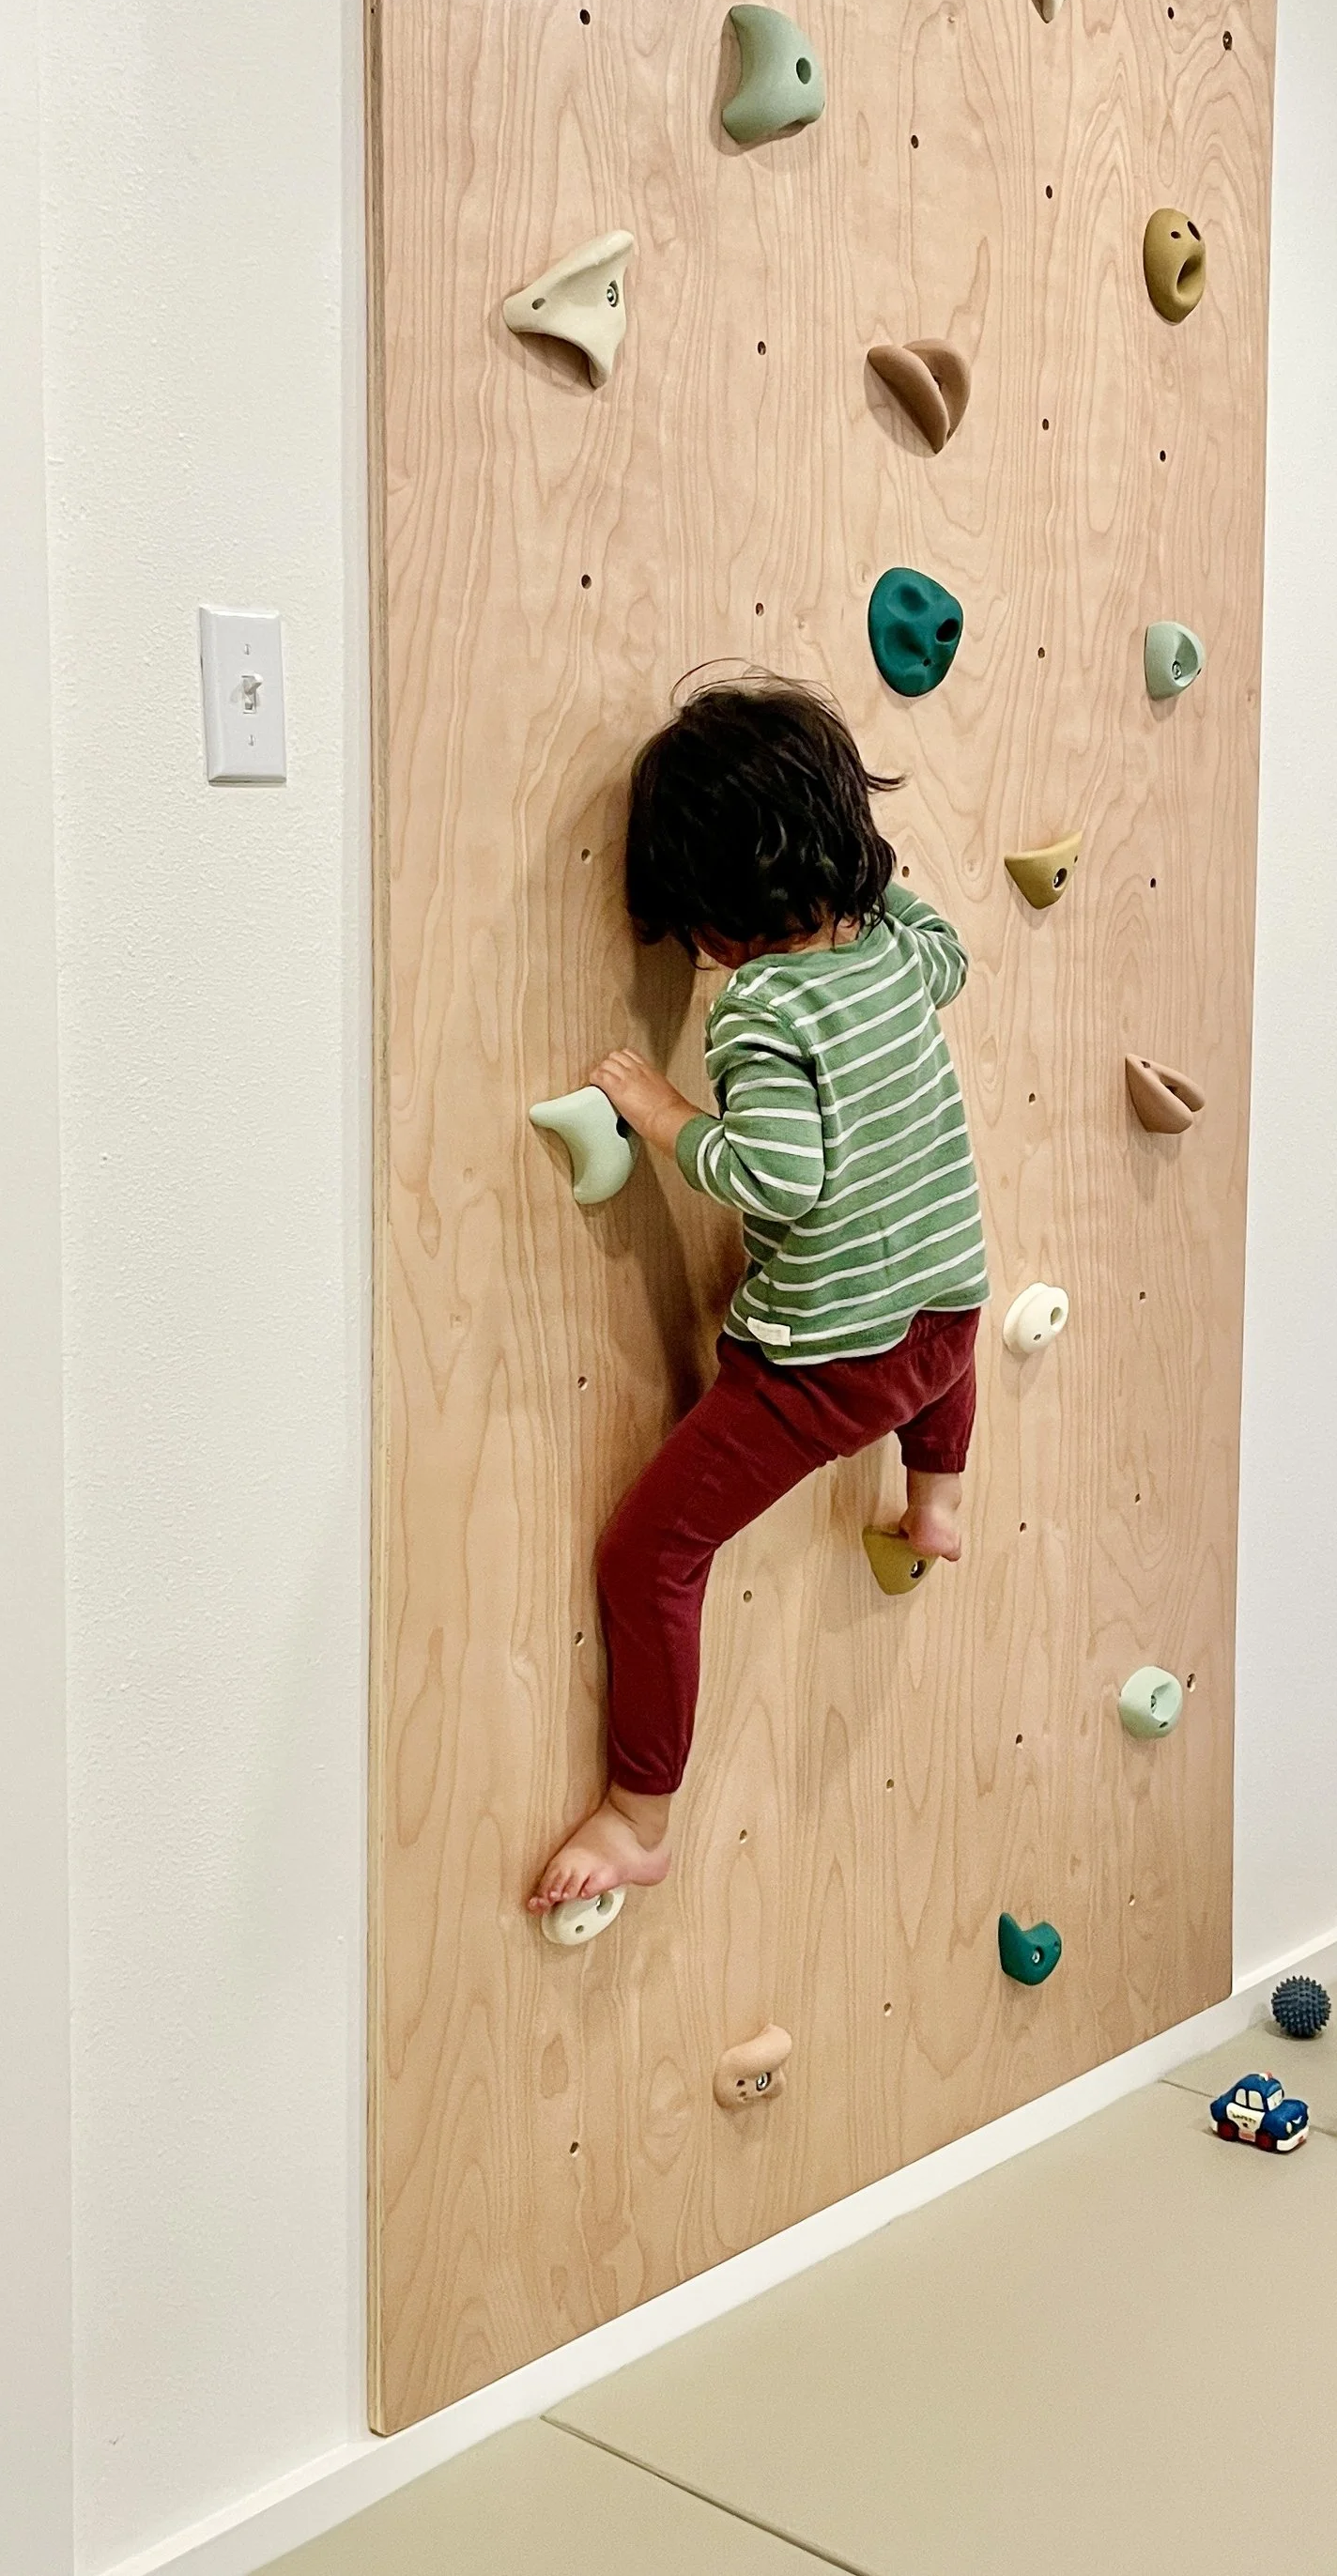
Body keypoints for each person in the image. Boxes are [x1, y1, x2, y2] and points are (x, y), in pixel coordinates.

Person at [529, 676, 990, 1918]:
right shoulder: (896, 945)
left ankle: (639, 1817)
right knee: (937, 1316)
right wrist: (865, 877)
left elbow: (777, 1180)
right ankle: (935, 1496)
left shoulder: (760, 1009)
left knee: (649, 1554)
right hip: (945, 1319)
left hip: (826, 1366)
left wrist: (668, 1111)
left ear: (707, 914)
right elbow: (951, 947)